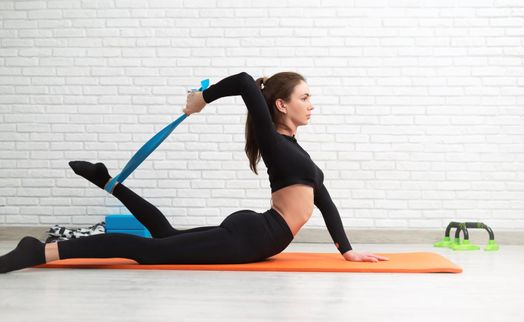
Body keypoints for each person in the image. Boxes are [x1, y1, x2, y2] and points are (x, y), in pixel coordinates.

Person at [0, 72, 388, 274]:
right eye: (305, 98)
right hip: (256, 237)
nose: (312, 105)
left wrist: (346, 249)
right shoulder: (274, 142)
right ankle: (43, 252)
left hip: (258, 231)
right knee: (146, 252)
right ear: (282, 105)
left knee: (165, 237)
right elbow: (241, 81)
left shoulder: (295, 151)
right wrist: (202, 99)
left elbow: (325, 200)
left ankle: (108, 181)